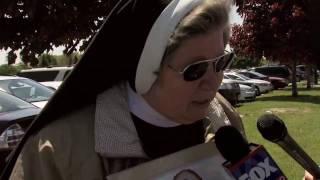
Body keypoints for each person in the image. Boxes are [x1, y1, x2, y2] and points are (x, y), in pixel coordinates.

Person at [7, 0, 244, 179]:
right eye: (196, 70)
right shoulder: (57, 151)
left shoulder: (221, 115)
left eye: (221, 62)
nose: (214, 82)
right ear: (146, 70)